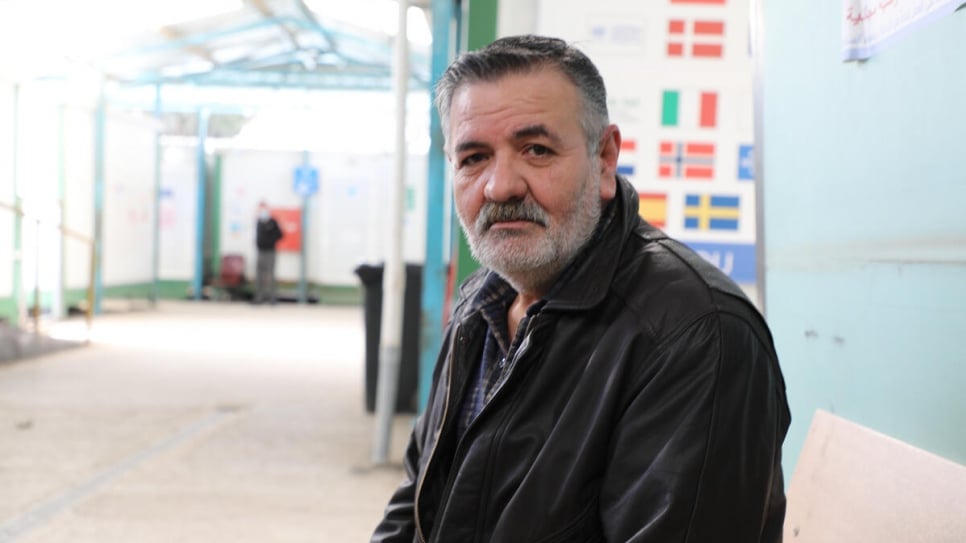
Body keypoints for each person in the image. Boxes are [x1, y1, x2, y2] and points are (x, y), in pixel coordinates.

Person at [372, 35, 790, 543]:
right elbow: (417, 496)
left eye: (536, 150)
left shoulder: (696, 334)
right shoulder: (479, 303)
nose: (500, 186)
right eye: (474, 157)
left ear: (605, 159)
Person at [254, 200, 283, 304]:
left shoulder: (273, 222)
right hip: (260, 251)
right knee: (259, 275)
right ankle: (259, 297)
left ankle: (272, 298)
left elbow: (280, 235)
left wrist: (270, 239)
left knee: (271, 275)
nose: (262, 211)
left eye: (263, 209)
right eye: (260, 209)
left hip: (270, 251)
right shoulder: (258, 222)